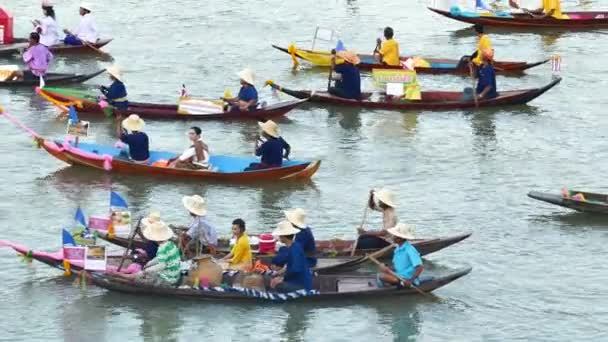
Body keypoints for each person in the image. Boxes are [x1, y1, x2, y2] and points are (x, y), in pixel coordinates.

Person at [111, 220, 182, 287]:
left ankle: (122, 275)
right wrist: (149, 264)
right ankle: (123, 275)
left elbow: (161, 265)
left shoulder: (162, 248)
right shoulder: (170, 244)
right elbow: (159, 258)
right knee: (142, 273)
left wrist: (147, 270)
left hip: (168, 279)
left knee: (139, 278)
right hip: (174, 274)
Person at [269, 221, 313, 293]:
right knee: (275, 280)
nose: (279, 237)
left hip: (301, 285)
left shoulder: (294, 250)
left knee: (278, 286)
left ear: (283, 236)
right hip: (298, 280)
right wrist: (280, 273)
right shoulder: (294, 246)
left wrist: (282, 278)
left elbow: (295, 269)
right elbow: (290, 266)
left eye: (280, 235)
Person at [376, 223, 423, 287]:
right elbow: (397, 267)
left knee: (382, 276)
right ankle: (396, 282)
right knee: (380, 274)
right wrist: (387, 268)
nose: (392, 237)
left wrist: (410, 281)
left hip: (407, 279)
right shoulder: (397, 249)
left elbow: (419, 267)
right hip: (399, 275)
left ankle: (400, 283)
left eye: (394, 235)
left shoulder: (410, 249)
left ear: (400, 238)